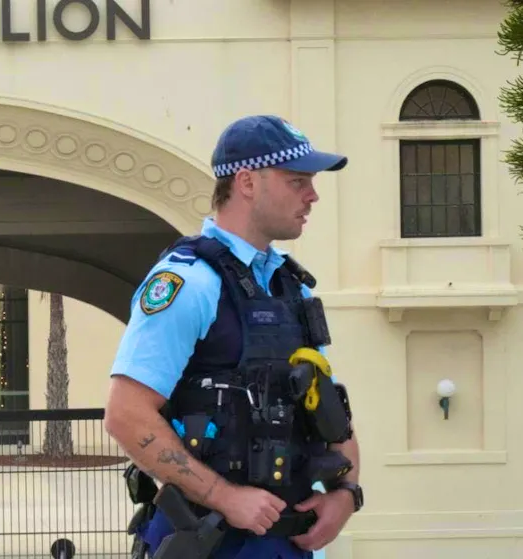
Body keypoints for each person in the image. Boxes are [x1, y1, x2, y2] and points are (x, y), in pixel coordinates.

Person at [105, 115, 363, 559]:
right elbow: (126, 415)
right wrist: (226, 496)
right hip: (210, 540)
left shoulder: (292, 288)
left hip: (289, 541)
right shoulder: (189, 284)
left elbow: (328, 407)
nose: (313, 195)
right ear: (247, 182)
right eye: (297, 180)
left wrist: (348, 495)